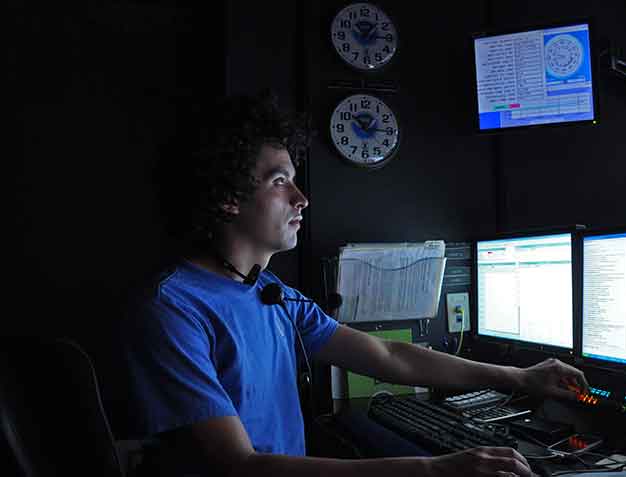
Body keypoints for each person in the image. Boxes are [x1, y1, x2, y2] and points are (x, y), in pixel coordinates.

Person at [121, 91, 589, 477]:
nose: (301, 198)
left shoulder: (272, 294)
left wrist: (519, 377)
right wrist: (434, 470)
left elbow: (389, 356)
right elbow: (240, 467)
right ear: (227, 197)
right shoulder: (173, 309)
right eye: (280, 181)